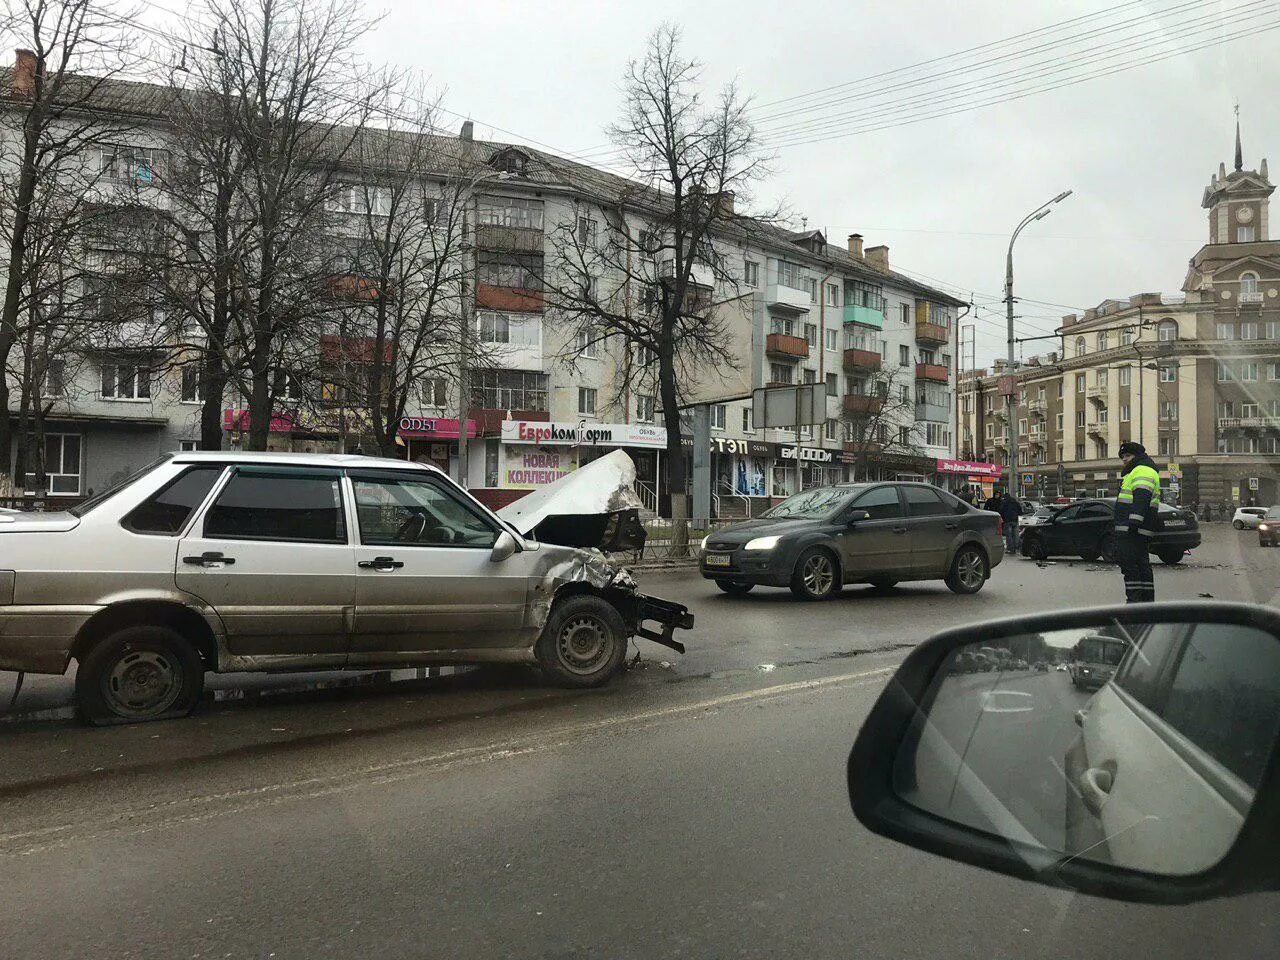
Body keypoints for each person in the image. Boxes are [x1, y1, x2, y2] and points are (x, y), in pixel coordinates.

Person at [1115, 440, 1161, 603]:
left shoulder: (1141, 470)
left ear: (1138, 456)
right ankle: (1146, 604)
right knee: (1141, 566)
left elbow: (1142, 497)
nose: (1125, 459)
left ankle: (1135, 604)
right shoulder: (1140, 470)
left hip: (1132, 530)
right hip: (1138, 529)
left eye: (1128, 455)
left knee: (1130, 566)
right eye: (1123, 457)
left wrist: (1133, 524)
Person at [998, 490, 1022, 555]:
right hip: (1015, 520)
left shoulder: (1004, 502)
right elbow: (1020, 511)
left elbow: (1001, 510)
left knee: (1009, 535)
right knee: (1015, 534)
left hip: (1007, 520)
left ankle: (1010, 549)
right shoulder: (1015, 502)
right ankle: (1016, 548)